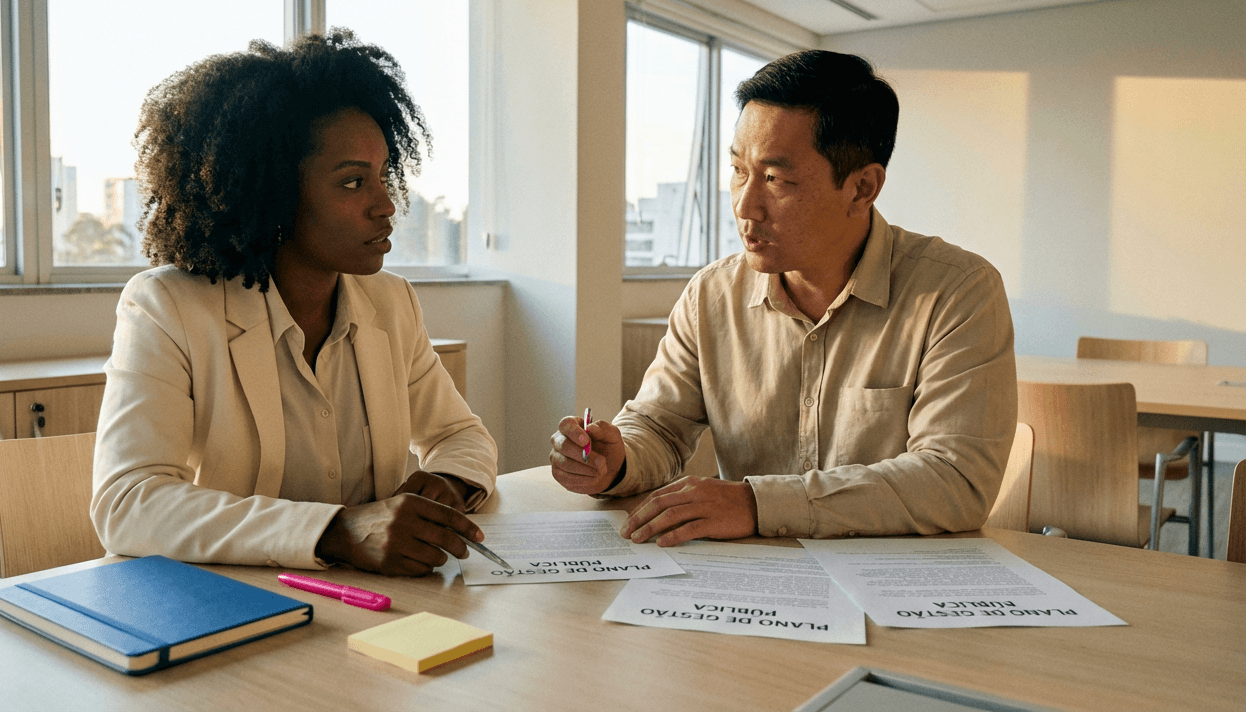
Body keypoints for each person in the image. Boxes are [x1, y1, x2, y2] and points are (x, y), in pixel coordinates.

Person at [549, 50, 1017, 547]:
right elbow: (658, 426)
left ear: (862, 187)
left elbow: (955, 479)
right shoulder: (711, 295)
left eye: (775, 180)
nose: (745, 205)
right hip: (758, 584)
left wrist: (758, 505)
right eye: (737, 171)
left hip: (896, 587)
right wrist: (617, 460)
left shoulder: (958, 291)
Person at [91, 31, 497, 577]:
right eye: (353, 182)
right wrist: (336, 532)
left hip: (380, 604)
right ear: (273, 194)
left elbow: (460, 436)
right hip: (240, 609)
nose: (386, 206)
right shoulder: (168, 306)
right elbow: (128, 502)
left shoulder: (391, 302)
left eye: (383, 177)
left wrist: (445, 484)